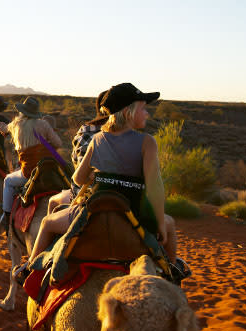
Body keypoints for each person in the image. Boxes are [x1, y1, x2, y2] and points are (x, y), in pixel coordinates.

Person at [27, 82, 183, 271]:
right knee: (171, 224)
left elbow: (77, 179)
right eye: (143, 109)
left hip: (95, 215)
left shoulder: (98, 138)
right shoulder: (147, 142)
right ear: (128, 112)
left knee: (46, 223)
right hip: (134, 215)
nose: (147, 114)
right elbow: (155, 188)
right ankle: (172, 272)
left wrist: (95, 176)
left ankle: (30, 270)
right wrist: (159, 223)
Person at [0, 96, 62, 227]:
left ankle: (6, 215)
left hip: (29, 172)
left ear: (22, 111)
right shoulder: (43, 124)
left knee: (8, 181)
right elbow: (58, 143)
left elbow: (3, 128)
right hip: (48, 169)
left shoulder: (16, 125)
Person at [47, 90, 108, 213]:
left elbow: (81, 178)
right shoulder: (134, 138)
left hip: (84, 196)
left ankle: (5, 214)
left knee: (51, 204)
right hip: (118, 194)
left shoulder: (87, 134)